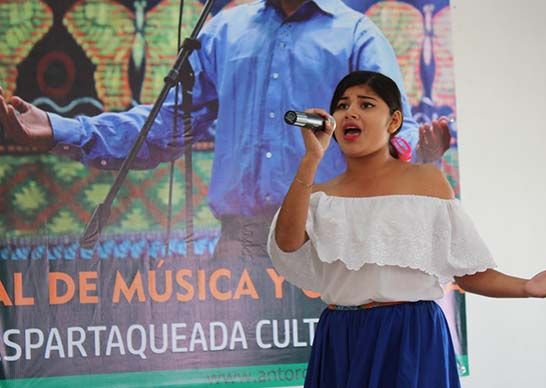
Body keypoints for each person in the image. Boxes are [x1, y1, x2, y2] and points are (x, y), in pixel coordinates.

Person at [0, 0, 450, 260]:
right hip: (238, 248)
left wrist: (414, 155)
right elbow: (167, 125)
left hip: (329, 244)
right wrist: (60, 129)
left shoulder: (357, 35)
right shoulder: (224, 31)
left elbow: (396, 134)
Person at [267, 70, 546, 387]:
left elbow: (469, 272)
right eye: (342, 105)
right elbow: (287, 241)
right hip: (340, 338)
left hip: (409, 336)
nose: (350, 111)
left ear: (393, 121)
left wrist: (527, 286)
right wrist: (311, 158)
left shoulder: (427, 181)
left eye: (365, 105)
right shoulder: (322, 194)